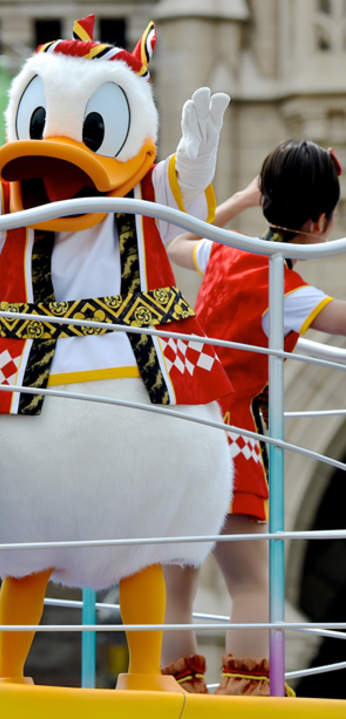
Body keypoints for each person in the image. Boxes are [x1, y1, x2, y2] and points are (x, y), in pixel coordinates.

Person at [162, 139, 345, 695]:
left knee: (177, 589)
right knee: (250, 580)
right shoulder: (282, 286)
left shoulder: (222, 253)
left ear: (267, 202)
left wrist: (237, 202)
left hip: (180, 427)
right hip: (230, 437)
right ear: (319, 222)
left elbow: (173, 239)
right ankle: (246, 694)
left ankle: (175, 687)